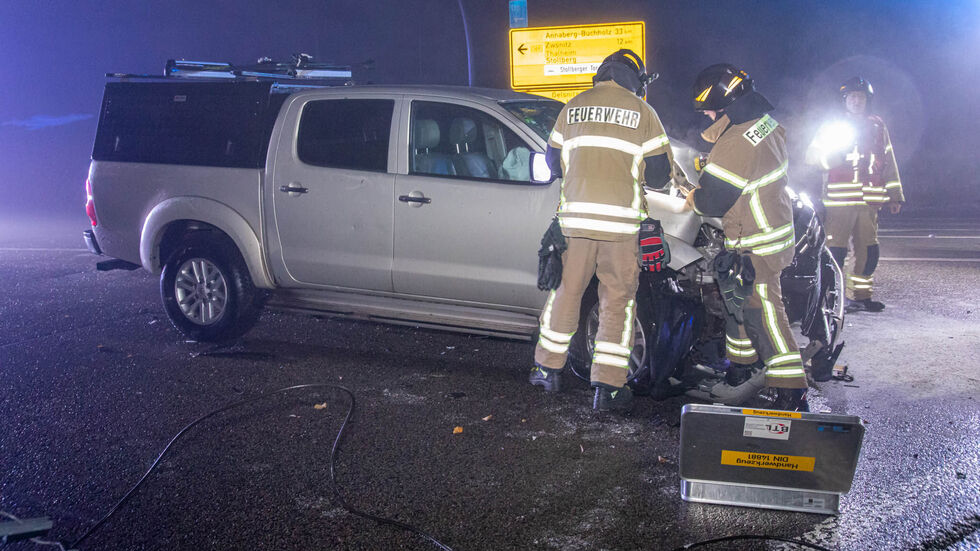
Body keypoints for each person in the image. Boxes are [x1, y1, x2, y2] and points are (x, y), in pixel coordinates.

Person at [528, 49, 672, 414]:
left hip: (574, 226)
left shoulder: (572, 107)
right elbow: (659, 175)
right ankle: (607, 388)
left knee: (565, 295)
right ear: (635, 80)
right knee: (617, 306)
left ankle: (547, 369)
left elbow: (551, 162)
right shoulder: (644, 113)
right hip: (621, 231)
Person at [682, 63, 808, 411]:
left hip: (756, 242)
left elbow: (710, 201)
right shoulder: (766, 125)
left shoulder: (735, 141)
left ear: (724, 102)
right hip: (773, 231)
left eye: (708, 107)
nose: (706, 114)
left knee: (764, 313)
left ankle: (790, 389)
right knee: (738, 304)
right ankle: (740, 371)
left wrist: (693, 194)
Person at [805, 77, 904, 313]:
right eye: (852, 97)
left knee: (869, 252)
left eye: (860, 97)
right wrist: (835, 155)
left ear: (867, 100)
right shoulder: (832, 126)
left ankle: (862, 296)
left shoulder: (877, 126)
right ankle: (832, 297)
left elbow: (889, 160)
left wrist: (895, 194)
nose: (856, 101)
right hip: (839, 202)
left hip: (869, 202)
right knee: (835, 252)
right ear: (844, 101)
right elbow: (812, 157)